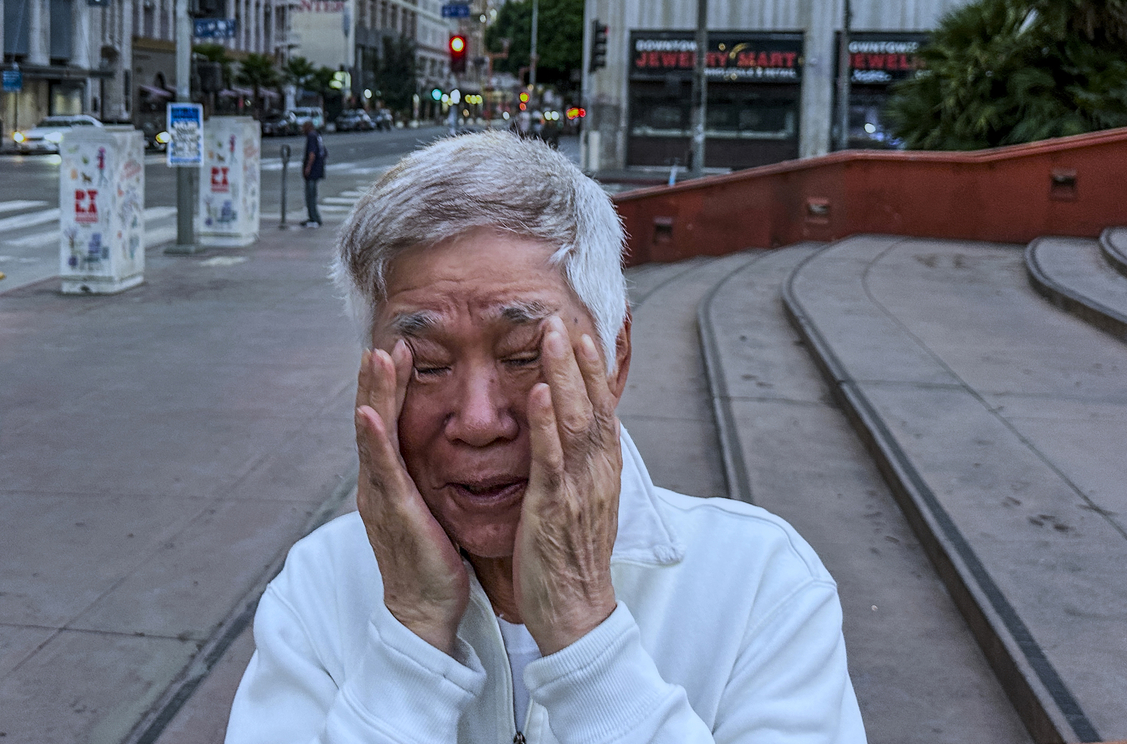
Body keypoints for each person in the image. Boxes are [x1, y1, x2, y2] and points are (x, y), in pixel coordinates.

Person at [226, 132, 866, 744]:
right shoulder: (321, 585)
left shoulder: (759, 586)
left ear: (614, 357)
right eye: (428, 365)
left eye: (524, 356)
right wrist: (412, 633)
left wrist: (586, 636)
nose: (478, 421)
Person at [300, 120, 326, 228]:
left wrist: (308, 167)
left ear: (308, 127)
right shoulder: (317, 136)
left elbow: (312, 153)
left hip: (313, 171)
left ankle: (313, 218)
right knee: (313, 195)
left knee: (310, 196)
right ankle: (315, 217)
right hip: (318, 169)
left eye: (304, 127)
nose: (302, 130)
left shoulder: (311, 136)